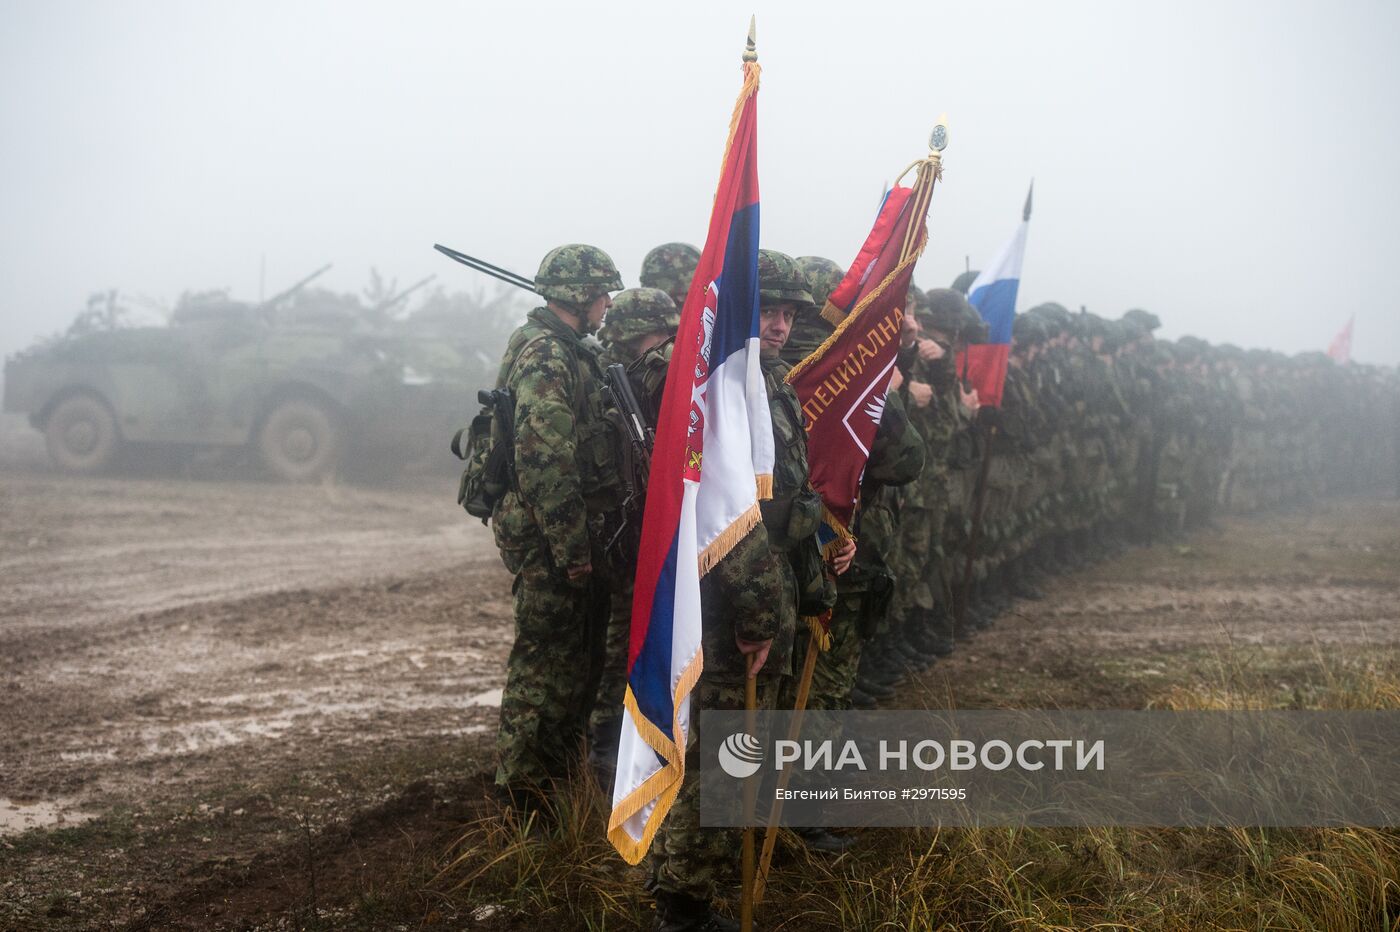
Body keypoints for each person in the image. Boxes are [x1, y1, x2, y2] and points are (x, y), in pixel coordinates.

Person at [647, 249, 835, 932]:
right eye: (768, 309)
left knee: (738, 758)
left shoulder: (772, 380)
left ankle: (691, 882)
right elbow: (732, 512)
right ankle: (682, 904)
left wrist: (810, 585)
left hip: (769, 590)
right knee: (720, 760)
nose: (781, 323)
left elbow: (790, 500)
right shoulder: (724, 383)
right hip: (728, 602)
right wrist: (758, 611)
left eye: (789, 312)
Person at [489, 243, 624, 813]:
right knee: (544, 666)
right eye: (602, 294)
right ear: (581, 297)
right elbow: (546, 462)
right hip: (553, 537)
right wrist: (573, 550)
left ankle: (558, 784)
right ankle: (522, 796)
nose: (608, 303)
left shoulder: (571, 348)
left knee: (577, 664)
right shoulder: (546, 354)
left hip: (572, 531)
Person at [587, 286, 680, 785]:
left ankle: (617, 746)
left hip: (643, 529)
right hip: (635, 533)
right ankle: (608, 751)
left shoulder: (647, 374)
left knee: (630, 640)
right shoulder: (641, 377)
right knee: (627, 640)